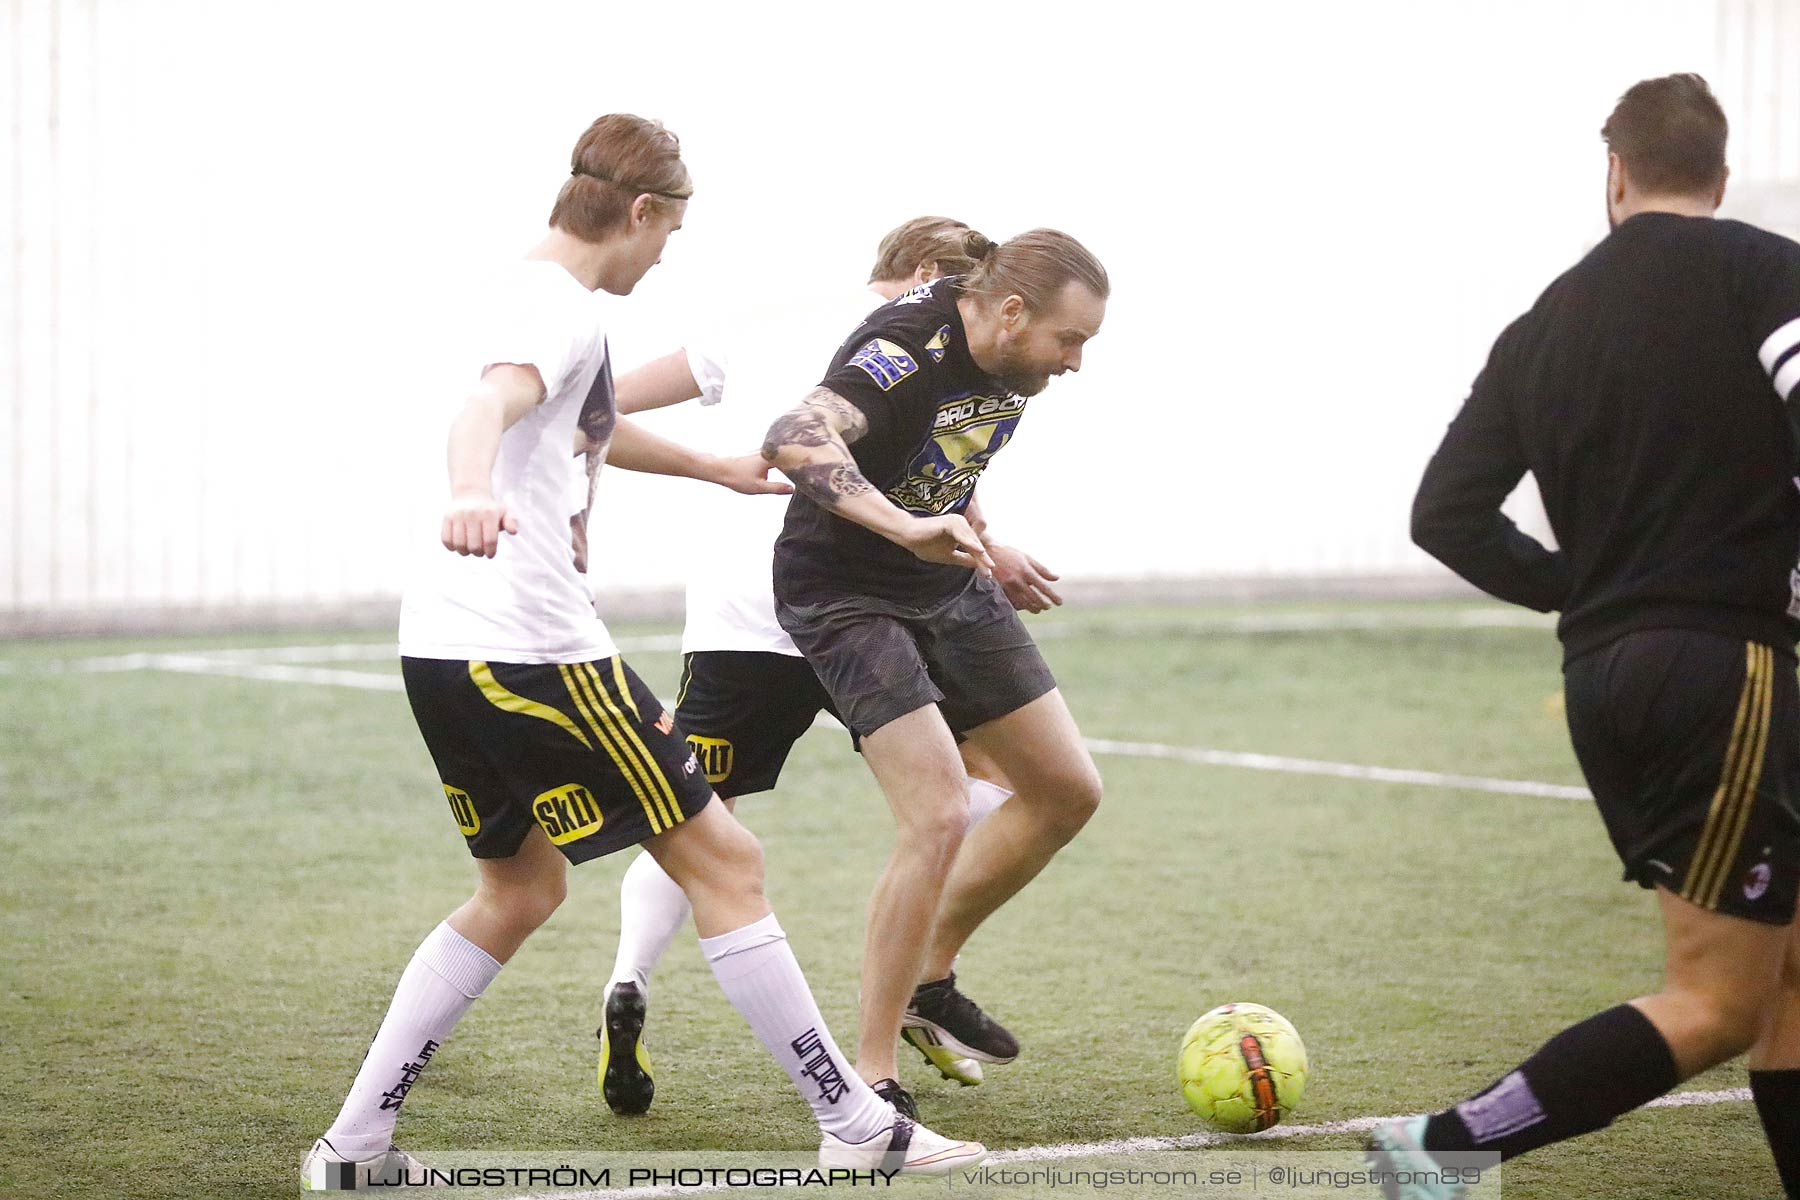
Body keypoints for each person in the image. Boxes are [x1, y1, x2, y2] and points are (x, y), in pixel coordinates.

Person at [301, 114, 985, 1189]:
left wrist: (714, 468)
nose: (667, 254)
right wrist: (473, 487)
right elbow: (493, 404)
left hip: (441, 643)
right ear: (641, 211)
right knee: (727, 860)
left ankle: (355, 1148)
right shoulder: (559, 312)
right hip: (533, 650)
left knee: (519, 892)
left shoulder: (516, 291)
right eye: (670, 232)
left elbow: (584, 427)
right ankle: (855, 1123)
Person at [1372, 74, 1800, 1199]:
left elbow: (1445, 514)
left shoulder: (1544, 323)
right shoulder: (1771, 273)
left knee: (1789, 966)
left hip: (1608, 670)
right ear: (1721, 167)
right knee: (1716, 1000)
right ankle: (1443, 1151)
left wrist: (1583, 589)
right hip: (1726, 667)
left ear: (1613, 174)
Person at [591, 217, 1064, 1119]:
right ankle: (919, 983)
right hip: (847, 595)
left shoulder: (769, 324)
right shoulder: (906, 343)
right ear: (928, 274)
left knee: (700, 814)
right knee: (983, 788)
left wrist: (702, 470)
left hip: (745, 614)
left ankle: (630, 979)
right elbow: (877, 447)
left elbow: (596, 400)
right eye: (958, 286)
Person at [760, 230, 1109, 1114]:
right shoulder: (902, 348)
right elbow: (793, 436)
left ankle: (928, 976)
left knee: (1066, 789)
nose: (1074, 365)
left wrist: (986, 543)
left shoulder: (1007, 358)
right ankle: (870, 1075)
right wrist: (903, 525)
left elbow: (949, 452)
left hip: (947, 579)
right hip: (844, 593)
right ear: (1014, 311)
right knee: (941, 811)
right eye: (1070, 342)